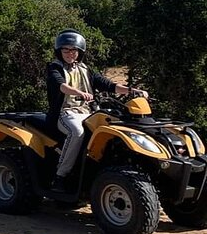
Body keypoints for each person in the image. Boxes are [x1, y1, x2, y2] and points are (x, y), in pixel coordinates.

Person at [47, 29, 148, 192]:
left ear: (80, 52)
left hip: (88, 112)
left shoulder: (86, 69)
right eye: (65, 50)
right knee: (77, 132)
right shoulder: (54, 68)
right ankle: (60, 176)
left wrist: (132, 91)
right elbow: (61, 85)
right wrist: (79, 93)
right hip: (65, 114)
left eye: (73, 50)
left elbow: (109, 85)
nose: (69, 53)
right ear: (59, 51)